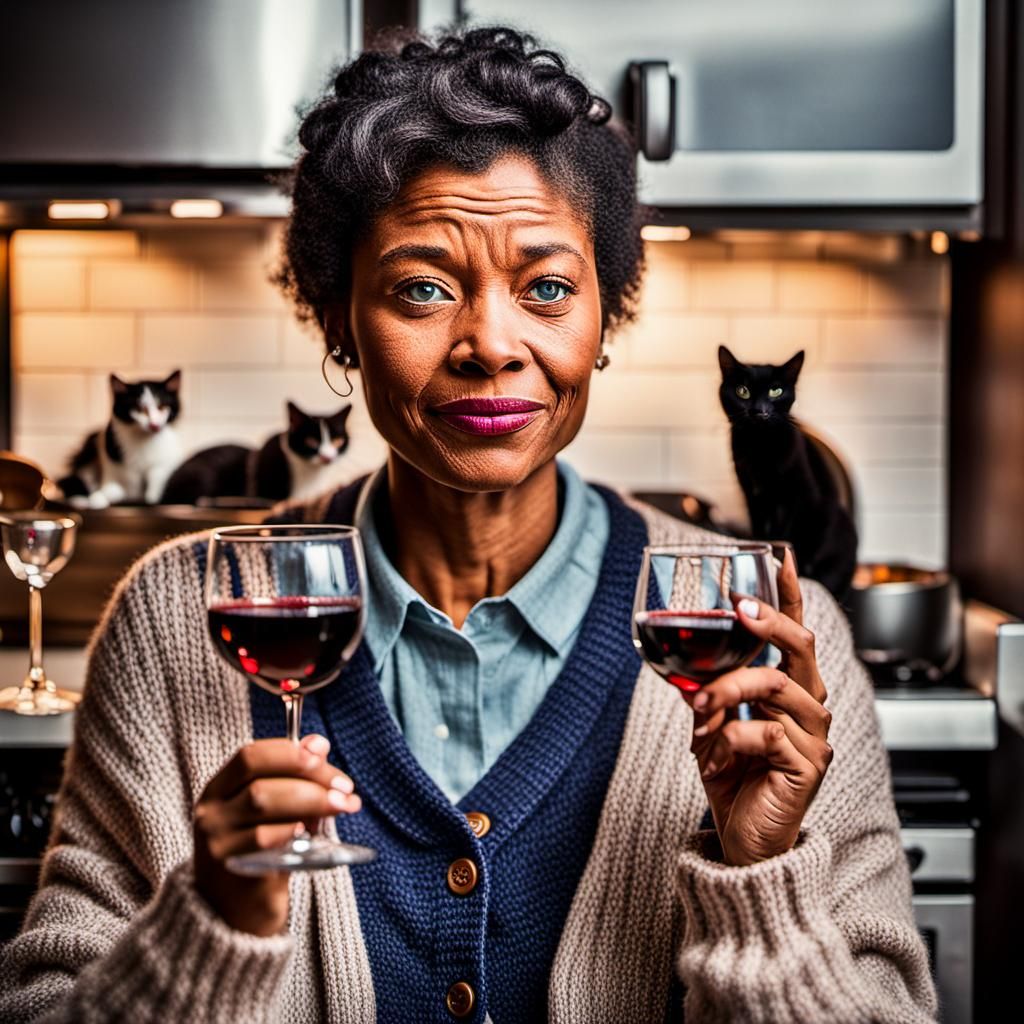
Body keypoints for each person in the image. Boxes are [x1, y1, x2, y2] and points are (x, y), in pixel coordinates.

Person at [0, 26, 938, 1024]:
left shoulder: (770, 638)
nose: (491, 344)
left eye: (546, 289)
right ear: (339, 324)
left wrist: (762, 881)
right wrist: (212, 920)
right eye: (422, 289)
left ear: (604, 318)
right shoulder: (176, 617)